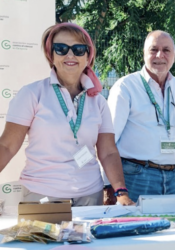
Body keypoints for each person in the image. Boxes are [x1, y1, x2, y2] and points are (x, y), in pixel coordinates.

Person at [0, 23, 134, 206]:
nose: (70, 55)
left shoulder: (99, 102)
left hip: (89, 197)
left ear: (88, 56)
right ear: (51, 55)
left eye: (79, 49)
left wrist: (121, 192)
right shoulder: (32, 94)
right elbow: (7, 146)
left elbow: (108, 152)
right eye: (61, 48)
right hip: (41, 196)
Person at [107, 30, 175, 202]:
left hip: (173, 178)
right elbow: (108, 141)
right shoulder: (125, 87)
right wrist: (110, 187)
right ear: (144, 54)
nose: (160, 55)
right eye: (153, 49)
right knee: (137, 227)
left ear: (174, 55)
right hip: (136, 177)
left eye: (166, 50)